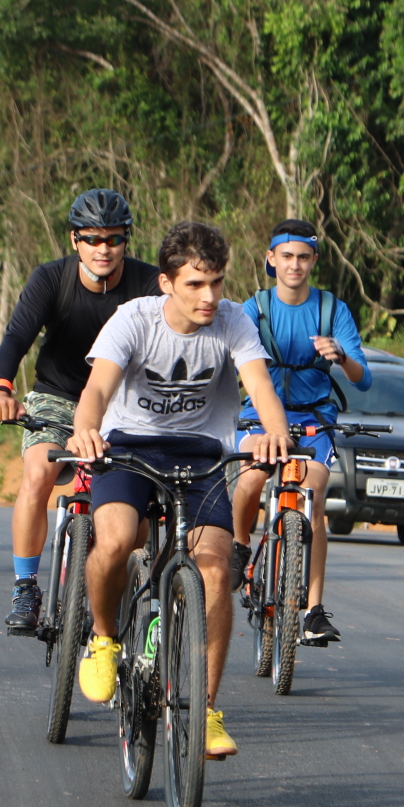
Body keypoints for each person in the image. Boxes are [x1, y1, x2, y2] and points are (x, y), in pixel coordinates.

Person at [68, 220, 294, 761]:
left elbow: (261, 386)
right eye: (195, 284)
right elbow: (97, 388)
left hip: (201, 454)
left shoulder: (233, 321)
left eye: (216, 282)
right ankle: (103, 638)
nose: (209, 296)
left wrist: (275, 434)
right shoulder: (134, 319)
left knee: (214, 572)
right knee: (116, 540)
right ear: (167, 283)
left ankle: (205, 710)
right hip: (129, 447)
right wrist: (86, 430)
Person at [0, 189, 163, 633]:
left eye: (114, 239)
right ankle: (26, 587)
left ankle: (128, 585)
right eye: (92, 239)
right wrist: (1, 386)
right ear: (74, 240)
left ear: (126, 241)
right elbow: (17, 338)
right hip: (58, 396)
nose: (104, 249)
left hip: (124, 406)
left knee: (141, 513)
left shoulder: (148, 283)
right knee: (38, 473)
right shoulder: (51, 279)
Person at [227, 218, 370, 647]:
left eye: (303, 257)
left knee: (314, 496)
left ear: (314, 260)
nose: (295, 265)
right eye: (287, 256)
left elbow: (362, 379)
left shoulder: (332, 310)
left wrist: (341, 355)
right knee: (252, 476)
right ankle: (240, 544)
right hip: (259, 414)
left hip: (313, 418)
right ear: (271, 258)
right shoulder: (254, 308)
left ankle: (313, 610)